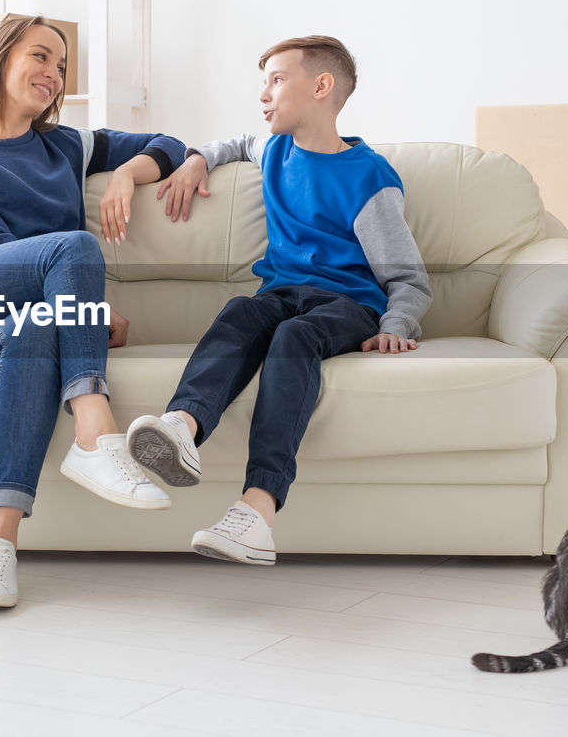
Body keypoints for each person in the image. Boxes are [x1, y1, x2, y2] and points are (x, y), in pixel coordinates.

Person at [0, 15, 186, 607]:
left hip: (15, 316)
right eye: (40, 57)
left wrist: (125, 177)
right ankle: (94, 428)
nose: (53, 75)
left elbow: (171, 147)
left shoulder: (68, 145)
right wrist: (83, 317)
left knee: (33, 331)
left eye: (61, 66)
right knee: (75, 247)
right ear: (1, 58)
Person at [126, 35, 432, 565]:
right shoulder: (276, 150)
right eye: (262, 82)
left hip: (346, 303)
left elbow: (408, 276)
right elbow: (238, 143)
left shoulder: (368, 178)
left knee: (294, 339)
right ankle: (183, 426)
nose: (263, 94)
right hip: (280, 292)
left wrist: (397, 323)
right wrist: (198, 159)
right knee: (242, 312)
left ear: (321, 87)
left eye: (276, 80)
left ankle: (257, 511)